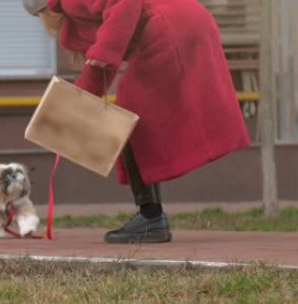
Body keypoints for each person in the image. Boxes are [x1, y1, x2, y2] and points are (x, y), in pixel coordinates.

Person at [22, 0, 250, 243]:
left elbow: (123, 8)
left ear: (44, 11)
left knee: (129, 115)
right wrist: (76, 107)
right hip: (187, 21)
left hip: (169, 25)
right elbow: (104, 61)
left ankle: (151, 217)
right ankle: (151, 217)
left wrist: (104, 51)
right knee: (135, 115)